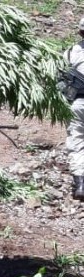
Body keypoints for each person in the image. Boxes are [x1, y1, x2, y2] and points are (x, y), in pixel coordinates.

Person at [63, 17, 84, 201]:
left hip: (78, 103)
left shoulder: (72, 52)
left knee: (77, 141)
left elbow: (62, 77)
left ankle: (80, 184)